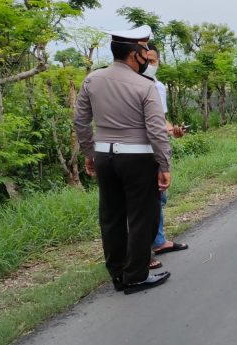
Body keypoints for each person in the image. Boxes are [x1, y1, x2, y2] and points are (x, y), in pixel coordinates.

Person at [74, 25, 172, 294]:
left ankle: (117, 274)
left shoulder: (92, 80)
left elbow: (81, 121)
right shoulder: (145, 85)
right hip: (138, 159)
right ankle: (136, 276)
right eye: (146, 51)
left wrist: (89, 153)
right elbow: (155, 129)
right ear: (136, 54)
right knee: (144, 217)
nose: (148, 56)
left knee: (111, 216)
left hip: (105, 155)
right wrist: (164, 164)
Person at [143, 44, 189, 270]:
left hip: (157, 149)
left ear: (158, 62)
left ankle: (158, 241)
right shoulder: (132, 85)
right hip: (137, 151)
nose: (148, 65)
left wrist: (174, 132)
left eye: (152, 61)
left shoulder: (158, 87)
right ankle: (142, 252)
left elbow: (160, 120)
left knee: (159, 197)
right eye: (145, 60)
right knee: (142, 202)